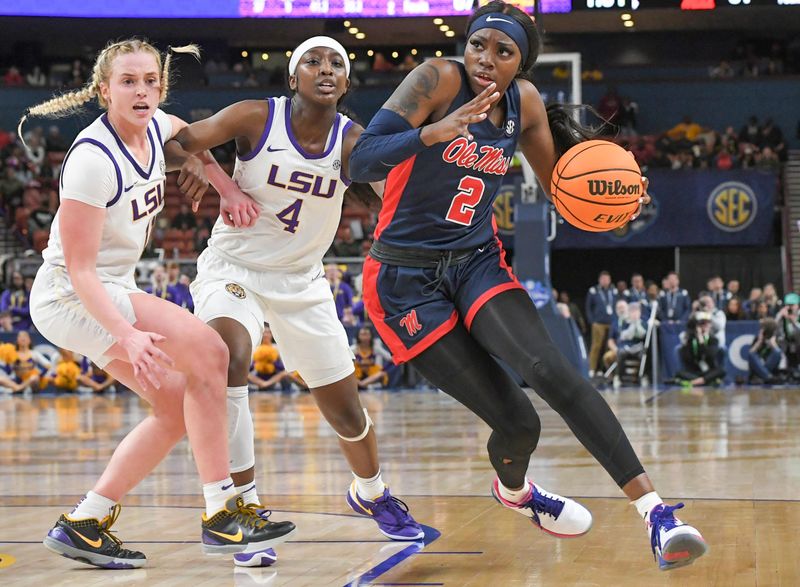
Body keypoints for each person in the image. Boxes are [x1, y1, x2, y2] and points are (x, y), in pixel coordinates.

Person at [349, 0, 705, 570]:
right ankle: (517, 493)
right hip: (403, 280)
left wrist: (617, 198)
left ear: (522, 64)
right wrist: (431, 132)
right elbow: (360, 162)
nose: (486, 60)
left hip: (476, 262)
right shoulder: (436, 80)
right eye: (478, 46)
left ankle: (658, 515)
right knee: (519, 423)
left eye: (503, 51)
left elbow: (565, 186)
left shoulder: (526, 104)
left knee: (553, 371)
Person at [19, 38, 296, 569]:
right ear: (104, 91)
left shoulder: (157, 124)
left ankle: (86, 520)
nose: (141, 90)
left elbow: (188, 141)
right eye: (128, 82)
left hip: (105, 288)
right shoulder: (91, 160)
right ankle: (223, 511)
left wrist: (223, 186)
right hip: (70, 293)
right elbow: (78, 271)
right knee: (211, 353)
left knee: (174, 409)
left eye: (150, 81)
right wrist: (126, 335)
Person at [170, 35, 423, 567]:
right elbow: (173, 141)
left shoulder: (354, 142)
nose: (324, 69)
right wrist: (209, 172)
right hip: (234, 269)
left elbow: (396, 199)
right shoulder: (254, 117)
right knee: (228, 357)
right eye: (312, 61)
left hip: (304, 282)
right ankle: (243, 508)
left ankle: (371, 491)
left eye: (336, 63)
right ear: (293, 78)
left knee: (347, 412)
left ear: (347, 83)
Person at [674, 312, 726, 387]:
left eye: (707, 324)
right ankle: (707, 381)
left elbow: (710, 355)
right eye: (702, 324)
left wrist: (701, 341)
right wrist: (687, 344)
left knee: (721, 371)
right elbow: (688, 359)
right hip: (696, 371)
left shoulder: (713, 340)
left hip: (709, 370)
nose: (704, 326)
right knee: (679, 373)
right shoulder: (691, 340)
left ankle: (695, 382)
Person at [585, 271, 618, 377]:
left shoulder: (614, 291)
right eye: (603, 279)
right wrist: (592, 321)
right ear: (599, 280)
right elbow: (588, 307)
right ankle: (591, 369)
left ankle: (602, 370)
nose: (605, 281)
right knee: (596, 346)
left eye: (607, 279)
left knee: (607, 347)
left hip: (611, 322)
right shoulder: (593, 291)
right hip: (598, 323)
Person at [747, 317, 781, 384]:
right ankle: (768, 377)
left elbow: (779, 355)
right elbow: (750, 354)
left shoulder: (775, 340)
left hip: (768, 366)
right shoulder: (757, 339)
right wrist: (759, 342)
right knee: (751, 354)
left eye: (762, 328)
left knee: (777, 351)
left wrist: (773, 344)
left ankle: (765, 377)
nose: (761, 329)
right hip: (758, 367)